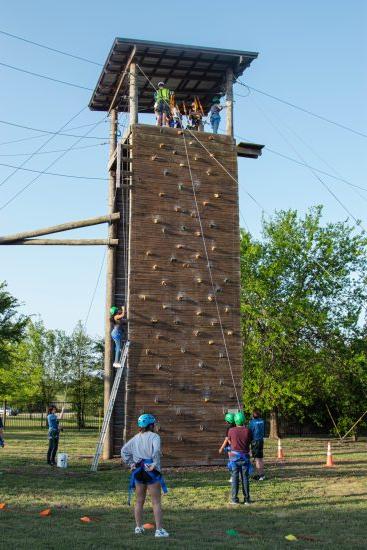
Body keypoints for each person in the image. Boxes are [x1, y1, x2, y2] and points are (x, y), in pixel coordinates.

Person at [121, 413, 169, 538]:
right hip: (151, 471)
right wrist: (154, 464)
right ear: (151, 425)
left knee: (139, 501)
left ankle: (138, 527)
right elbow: (156, 451)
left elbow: (124, 451)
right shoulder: (155, 436)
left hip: (138, 471)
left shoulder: (135, 438)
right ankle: (159, 530)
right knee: (156, 502)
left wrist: (131, 463)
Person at [227, 411, 253, 505]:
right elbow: (250, 441)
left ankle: (234, 499)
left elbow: (229, 441)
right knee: (245, 478)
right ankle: (247, 499)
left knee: (235, 478)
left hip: (234, 457)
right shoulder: (248, 430)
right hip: (244, 457)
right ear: (243, 421)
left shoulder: (231, 430)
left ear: (235, 421)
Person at [249, 409, 265, 480]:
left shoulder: (252, 422)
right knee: (260, 458)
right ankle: (262, 474)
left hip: (255, 441)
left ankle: (260, 476)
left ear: (253, 415)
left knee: (257, 459)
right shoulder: (262, 421)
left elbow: (250, 431)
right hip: (261, 440)